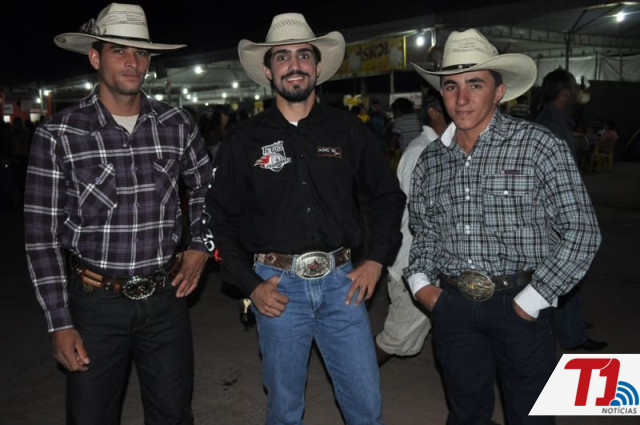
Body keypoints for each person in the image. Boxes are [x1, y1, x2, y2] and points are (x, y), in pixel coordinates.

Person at [202, 13, 405, 425]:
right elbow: (219, 217)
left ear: (317, 66)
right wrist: (250, 285)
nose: (293, 65)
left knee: (366, 405)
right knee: (284, 409)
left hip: (343, 284)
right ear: (268, 70)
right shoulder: (244, 139)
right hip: (276, 288)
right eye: (282, 57)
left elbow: (388, 197)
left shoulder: (347, 130)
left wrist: (376, 260)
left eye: (303, 55)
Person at [24, 4, 213, 424]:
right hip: (95, 303)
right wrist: (59, 322)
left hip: (165, 299)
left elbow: (208, 187)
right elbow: (40, 236)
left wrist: (201, 245)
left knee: (173, 415)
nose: (133, 61)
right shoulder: (58, 134)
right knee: (90, 416)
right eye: (119, 50)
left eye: (141, 52)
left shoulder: (177, 123)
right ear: (95, 57)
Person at [405, 29, 601, 425]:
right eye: (451, 86)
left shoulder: (538, 146)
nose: (462, 98)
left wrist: (533, 299)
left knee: (531, 415)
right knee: (465, 414)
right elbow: (423, 231)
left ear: (498, 92)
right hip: (452, 305)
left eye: (475, 84)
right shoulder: (431, 160)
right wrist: (421, 285)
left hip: (520, 303)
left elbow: (582, 231)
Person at [536, 68, 607, 352]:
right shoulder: (552, 125)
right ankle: (571, 333)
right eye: (575, 88)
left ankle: (570, 324)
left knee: (563, 270)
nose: (578, 93)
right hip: (557, 211)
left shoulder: (552, 120)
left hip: (554, 209)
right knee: (566, 268)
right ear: (565, 93)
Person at [374, 93, 449, 365]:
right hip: (415, 260)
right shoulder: (421, 152)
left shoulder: (442, 148)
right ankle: (354, 378)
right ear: (434, 113)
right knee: (396, 338)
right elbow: (419, 212)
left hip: (435, 261)